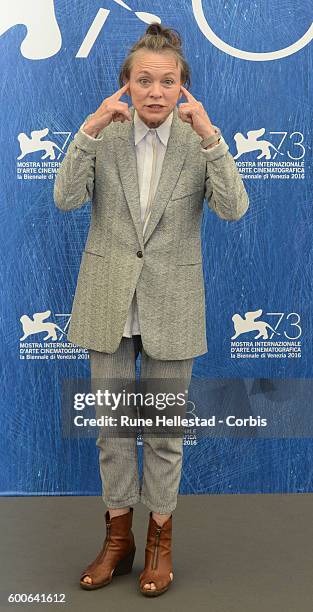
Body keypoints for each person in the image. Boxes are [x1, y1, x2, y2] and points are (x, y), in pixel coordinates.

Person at [54, 22, 249, 597]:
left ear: (183, 87)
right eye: (145, 80)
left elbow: (234, 209)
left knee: (164, 434)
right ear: (127, 86)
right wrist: (86, 132)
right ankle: (119, 539)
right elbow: (65, 198)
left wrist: (213, 139)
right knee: (113, 431)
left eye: (168, 81)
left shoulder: (198, 141)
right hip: (107, 304)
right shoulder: (105, 136)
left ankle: (160, 538)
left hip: (173, 306)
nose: (157, 91)